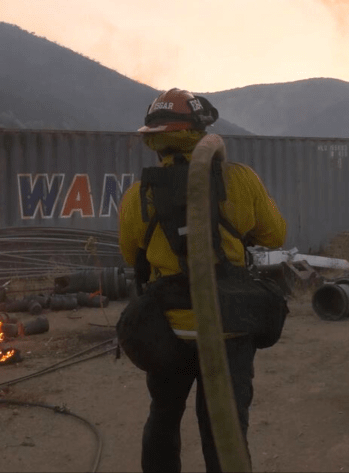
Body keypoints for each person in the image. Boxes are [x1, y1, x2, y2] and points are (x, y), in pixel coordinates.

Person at [117, 88, 288, 472]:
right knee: (223, 432)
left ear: (155, 139)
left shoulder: (136, 198)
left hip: (168, 333)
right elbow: (275, 235)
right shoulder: (240, 180)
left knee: (163, 419)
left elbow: (133, 258)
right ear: (201, 129)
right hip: (228, 329)